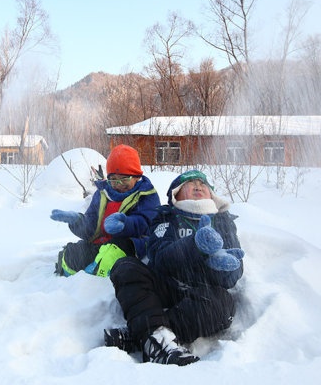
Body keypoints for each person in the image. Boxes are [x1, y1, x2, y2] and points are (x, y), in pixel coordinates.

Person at [105, 170, 244, 365]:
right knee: (125, 266)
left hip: (202, 293)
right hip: (166, 285)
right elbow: (160, 257)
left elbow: (233, 274)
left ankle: (146, 334)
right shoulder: (166, 217)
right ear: (175, 194)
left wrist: (219, 267)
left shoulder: (223, 221)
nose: (198, 186)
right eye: (190, 183)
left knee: (223, 305)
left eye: (203, 184)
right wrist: (195, 247)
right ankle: (155, 337)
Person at [50, 144, 160, 277]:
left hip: (131, 246)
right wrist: (77, 221)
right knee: (72, 253)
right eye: (113, 180)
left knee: (112, 252)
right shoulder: (102, 194)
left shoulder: (146, 195)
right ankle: (77, 278)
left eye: (124, 179)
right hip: (100, 244)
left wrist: (124, 224)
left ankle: (97, 281)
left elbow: (146, 223)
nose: (118, 184)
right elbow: (91, 227)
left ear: (136, 176)